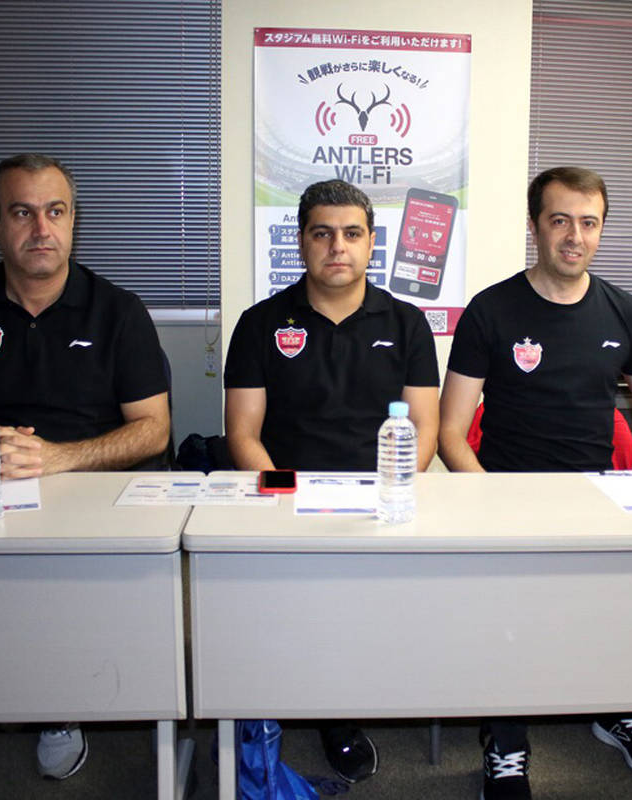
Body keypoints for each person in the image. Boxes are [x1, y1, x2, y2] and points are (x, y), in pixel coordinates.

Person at [0, 153, 171, 780]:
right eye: (22, 213)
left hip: (95, 494)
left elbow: (154, 429)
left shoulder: (118, 311)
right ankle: (12, 679)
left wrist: (60, 458)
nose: (41, 229)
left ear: (74, 220)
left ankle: (62, 695)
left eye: (55, 212)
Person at [438, 166, 632, 799]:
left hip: (597, 497)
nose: (575, 236)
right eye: (560, 220)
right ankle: (505, 742)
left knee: (620, 606)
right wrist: (490, 499)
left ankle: (619, 710)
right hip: (506, 493)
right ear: (535, 226)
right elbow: (450, 431)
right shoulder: (491, 310)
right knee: (510, 619)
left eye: (589, 223)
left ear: (601, 229)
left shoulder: (626, 312)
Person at [223, 179, 440, 782]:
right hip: (285, 500)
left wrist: (389, 495)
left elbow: (424, 428)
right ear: (301, 242)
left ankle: (338, 707)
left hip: (380, 501)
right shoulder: (260, 323)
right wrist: (286, 502)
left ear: (371, 243)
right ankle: (278, 700)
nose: (337, 247)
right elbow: (243, 433)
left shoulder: (407, 323)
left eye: (351, 234)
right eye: (322, 234)